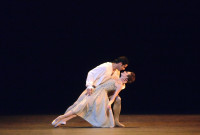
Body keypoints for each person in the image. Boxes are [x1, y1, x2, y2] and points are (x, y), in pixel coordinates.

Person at [61, 56, 129, 127]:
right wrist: (89, 85)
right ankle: (63, 119)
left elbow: (116, 83)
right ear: (120, 63)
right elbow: (91, 73)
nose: (124, 69)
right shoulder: (105, 66)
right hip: (95, 89)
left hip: (106, 91)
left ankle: (116, 120)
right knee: (79, 104)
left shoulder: (117, 71)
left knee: (118, 99)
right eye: (124, 67)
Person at [52, 71, 135, 128]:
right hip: (95, 90)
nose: (124, 72)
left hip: (100, 95)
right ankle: (61, 119)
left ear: (126, 78)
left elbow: (115, 95)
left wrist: (110, 103)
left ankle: (61, 117)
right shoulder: (115, 76)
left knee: (81, 107)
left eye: (126, 73)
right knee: (80, 106)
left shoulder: (120, 85)